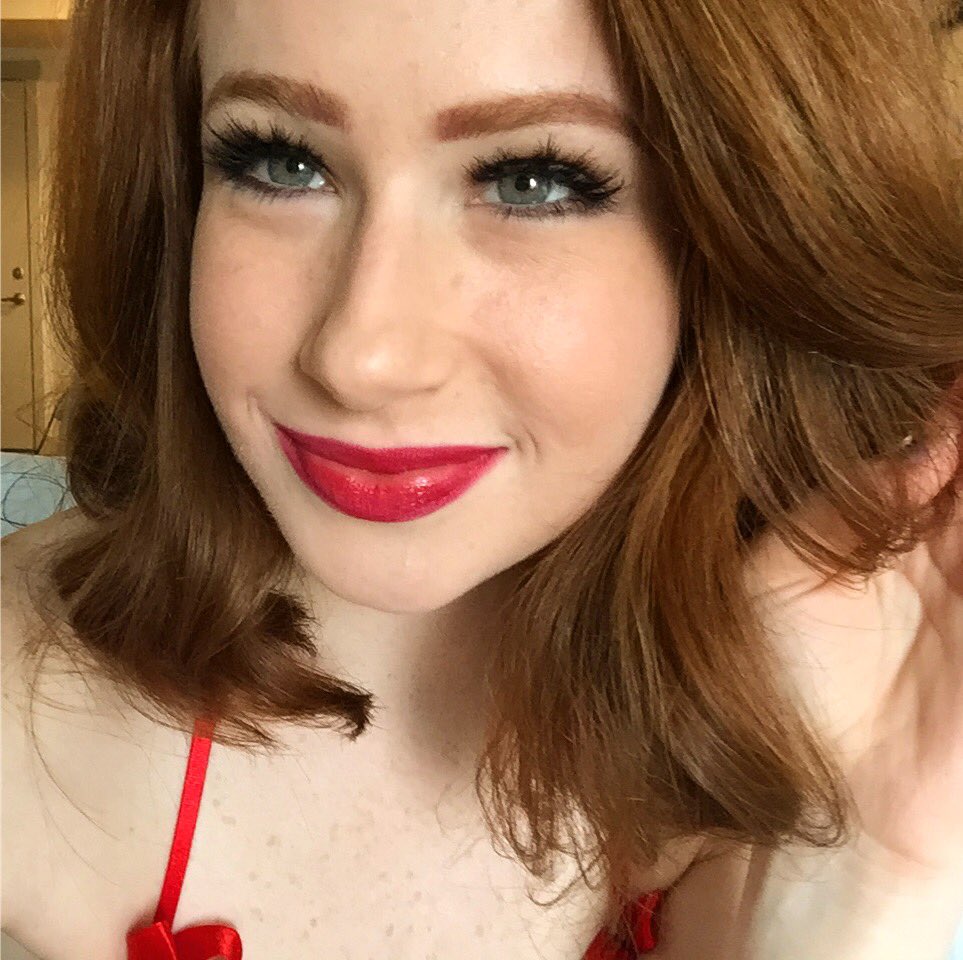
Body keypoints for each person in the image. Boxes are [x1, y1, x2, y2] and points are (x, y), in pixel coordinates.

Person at [1, 0, 961, 957]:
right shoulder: (21, 704)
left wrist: (862, 896)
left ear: (744, 236)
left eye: (531, 180)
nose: (360, 357)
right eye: (282, 162)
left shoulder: (837, 715)